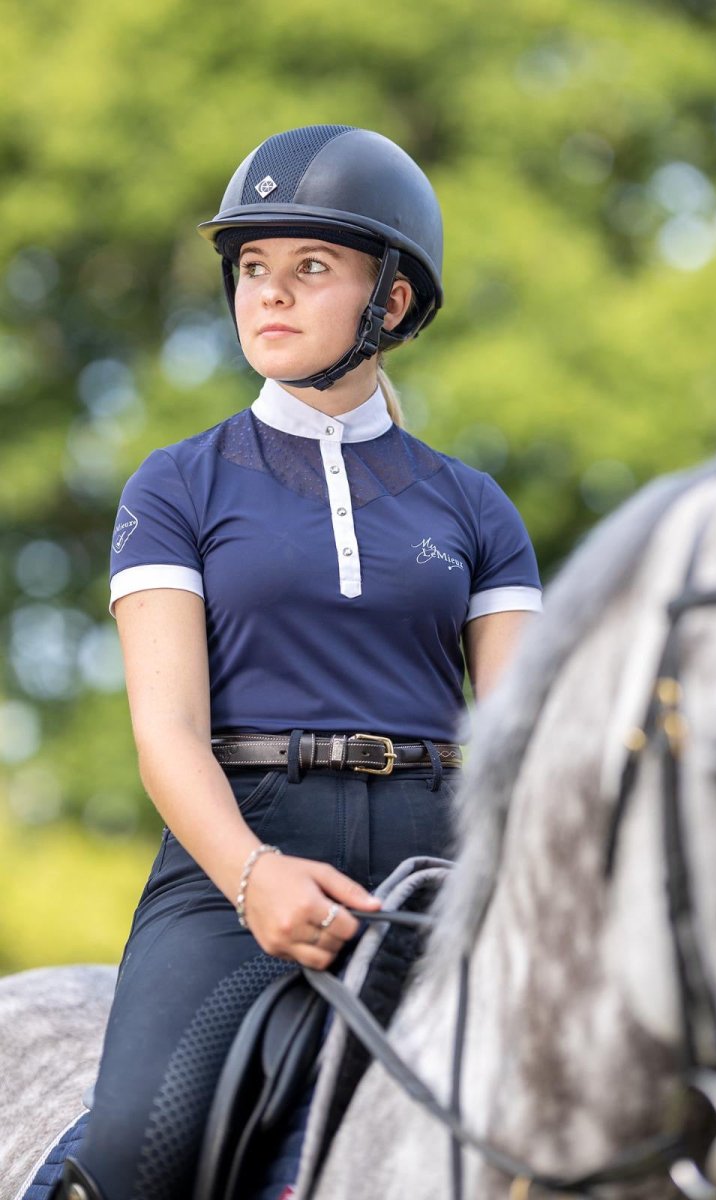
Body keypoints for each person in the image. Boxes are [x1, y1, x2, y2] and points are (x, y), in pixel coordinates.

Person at [61, 125, 542, 1200]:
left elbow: (519, 745)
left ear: (394, 304)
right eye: (252, 270)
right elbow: (166, 730)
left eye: (310, 269)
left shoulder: (474, 506)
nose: (268, 296)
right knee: (142, 1147)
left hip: (438, 869)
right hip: (239, 851)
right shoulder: (176, 486)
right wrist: (250, 875)